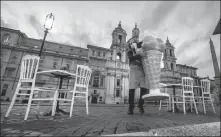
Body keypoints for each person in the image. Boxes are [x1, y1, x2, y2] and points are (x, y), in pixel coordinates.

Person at [127, 41, 149, 115]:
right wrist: (140, 55)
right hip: (133, 70)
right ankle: (131, 107)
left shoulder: (141, 51)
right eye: (132, 44)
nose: (133, 45)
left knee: (144, 89)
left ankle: (141, 105)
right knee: (132, 89)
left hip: (142, 71)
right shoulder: (130, 52)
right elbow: (130, 58)